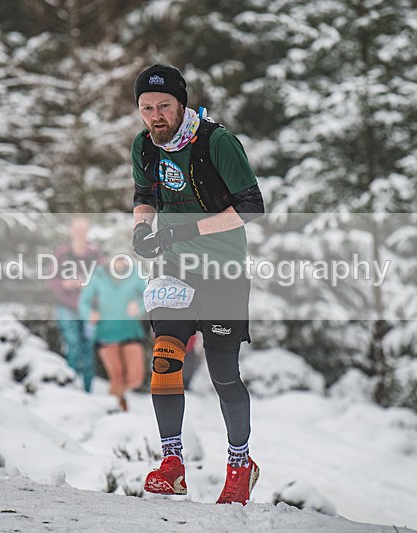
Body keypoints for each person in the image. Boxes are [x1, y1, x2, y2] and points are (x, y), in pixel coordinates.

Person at [130, 64, 265, 504]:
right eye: (147, 108)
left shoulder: (216, 142)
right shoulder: (144, 147)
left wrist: (185, 231)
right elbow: (144, 195)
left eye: (164, 105)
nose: (156, 116)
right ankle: (172, 465)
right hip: (173, 270)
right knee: (165, 361)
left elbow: (251, 207)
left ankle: (240, 464)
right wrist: (141, 230)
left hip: (224, 271)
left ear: (181, 103)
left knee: (224, 376)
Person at [78, 254, 147, 411]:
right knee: (117, 376)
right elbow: (84, 302)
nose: (119, 262)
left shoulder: (136, 273)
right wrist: (89, 314)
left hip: (130, 332)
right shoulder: (98, 275)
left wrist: (138, 306)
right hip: (106, 332)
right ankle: (114, 411)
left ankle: (114, 403)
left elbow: (146, 296)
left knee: (135, 378)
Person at [49, 216, 104, 392]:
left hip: (89, 309)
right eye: (77, 229)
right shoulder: (62, 253)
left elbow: (105, 284)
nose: (80, 232)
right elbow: (52, 280)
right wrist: (66, 283)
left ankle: (88, 391)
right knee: (73, 345)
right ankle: (70, 388)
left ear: (88, 231)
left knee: (88, 350)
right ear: (71, 231)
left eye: (83, 229)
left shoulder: (96, 255)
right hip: (66, 307)